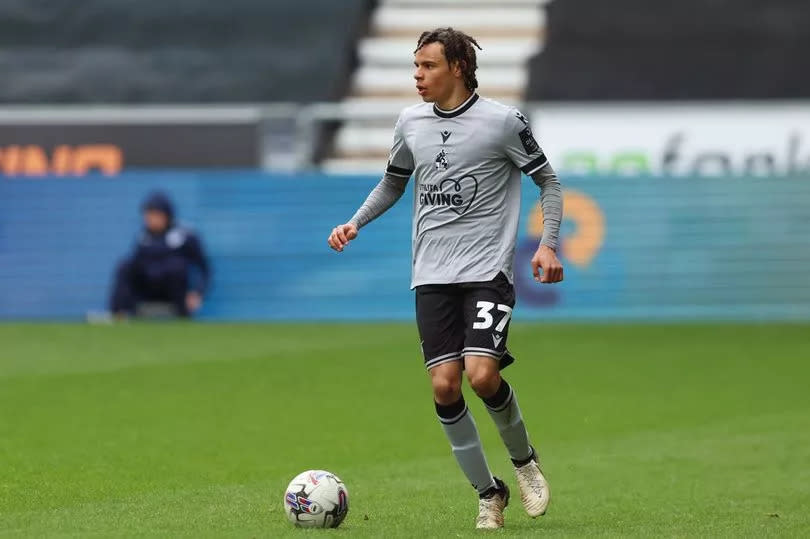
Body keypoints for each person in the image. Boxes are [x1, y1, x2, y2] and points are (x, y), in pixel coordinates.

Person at [327, 27, 564, 529]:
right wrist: (355, 221)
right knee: (444, 385)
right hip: (431, 275)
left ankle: (524, 463)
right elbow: (393, 182)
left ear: (458, 67)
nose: (418, 76)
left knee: (482, 375)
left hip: (485, 271)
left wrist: (547, 243)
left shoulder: (502, 122)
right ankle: (488, 493)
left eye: (428, 66)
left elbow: (547, 180)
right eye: (415, 67)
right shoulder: (410, 122)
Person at [109, 191, 210, 318]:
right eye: (148, 215)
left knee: (176, 267)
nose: (150, 219)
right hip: (148, 290)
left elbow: (204, 268)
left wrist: (197, 293)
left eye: (155, 215)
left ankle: (182, 316)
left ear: (167, 215)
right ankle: (119, 315)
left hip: (173, 292)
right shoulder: (143, 238)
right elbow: (136, 267)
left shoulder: (185, 236)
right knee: (124, 265)